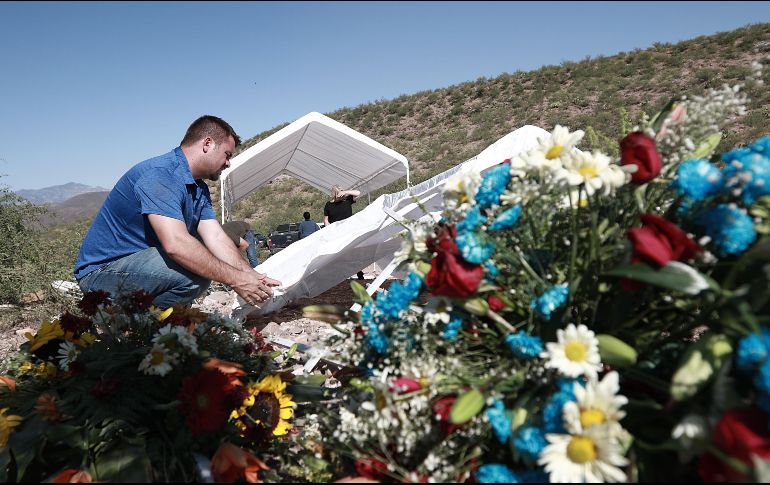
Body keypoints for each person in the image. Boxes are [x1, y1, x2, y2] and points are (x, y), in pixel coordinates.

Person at [74, 115, 280, 309]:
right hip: (102, 273)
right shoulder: (161, 176)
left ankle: (163, 325)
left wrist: (252, 276)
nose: (228, 163)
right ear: (207, 144)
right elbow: (176, 245)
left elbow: (216, 237)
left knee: (199, 261)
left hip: (138, 267)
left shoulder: (198, 188)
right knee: (194, 275)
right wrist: (236, 279)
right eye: (227, 155)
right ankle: (136, 327)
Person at [323, 185, 365, 280]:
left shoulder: (347, 200)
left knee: (353, 252)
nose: (341, 195)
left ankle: (359, 272)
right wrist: (329, 230)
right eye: (339, 193)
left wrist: (346, 192)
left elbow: (358, 193)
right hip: (336, 233)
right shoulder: (328, 205)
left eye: (342, 192)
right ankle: (340, 274)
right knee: (339, 254)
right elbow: (326, 220)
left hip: (349, 231)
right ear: (334, 194)